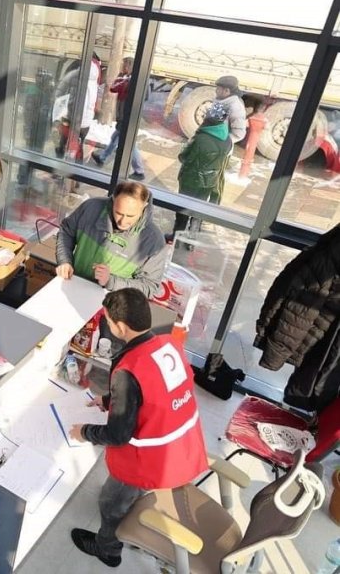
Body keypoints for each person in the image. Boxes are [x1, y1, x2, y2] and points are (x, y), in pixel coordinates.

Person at [69, 288, 208, 568]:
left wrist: (83, 432)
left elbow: (118, 435)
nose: (107, 325)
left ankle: (107, 548)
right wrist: (110, 400)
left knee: (111, 502)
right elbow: (154, 391)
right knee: (125, 495)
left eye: (107, 321)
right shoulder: (169, 344)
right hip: (183, 447)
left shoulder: (128, 369)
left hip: (149, 460)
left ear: (121, 327)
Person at [55, 181, 167, 298]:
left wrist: (112, 281)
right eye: (118, 213)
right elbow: (66, 231)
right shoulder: (90, 208)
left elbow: (150, 286)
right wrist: (65, 261)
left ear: (144, 206)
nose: (123, 221)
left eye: (130, 216)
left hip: (112, 306)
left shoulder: (154, 241)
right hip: (72, 287)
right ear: (113, 200)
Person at [173, 103, 232, 238]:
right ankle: (192, 238)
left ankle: (176, 236)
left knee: (183, 208)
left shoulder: (200, 138)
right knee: (199, 209)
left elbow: (183, 157)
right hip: (210, 182)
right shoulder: (228, 139)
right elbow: (225, 162)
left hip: (190, 180)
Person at [91, 56, 146, 180]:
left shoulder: (130, 80)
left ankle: (139, 170)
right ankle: (102, 157)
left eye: (123, 66)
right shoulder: (133, 79)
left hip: (127, 117)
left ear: (128, 67)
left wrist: (121, 75)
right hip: (128, 116)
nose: (122, 68)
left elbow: (114, 87)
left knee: (129, 144)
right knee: (115, 137)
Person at [214, 75, 248, 143]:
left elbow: (238, 134)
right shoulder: (220, 102)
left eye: (218, 89)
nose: (216, 91)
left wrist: (220, 144)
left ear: (226, 91)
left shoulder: (236, 108)